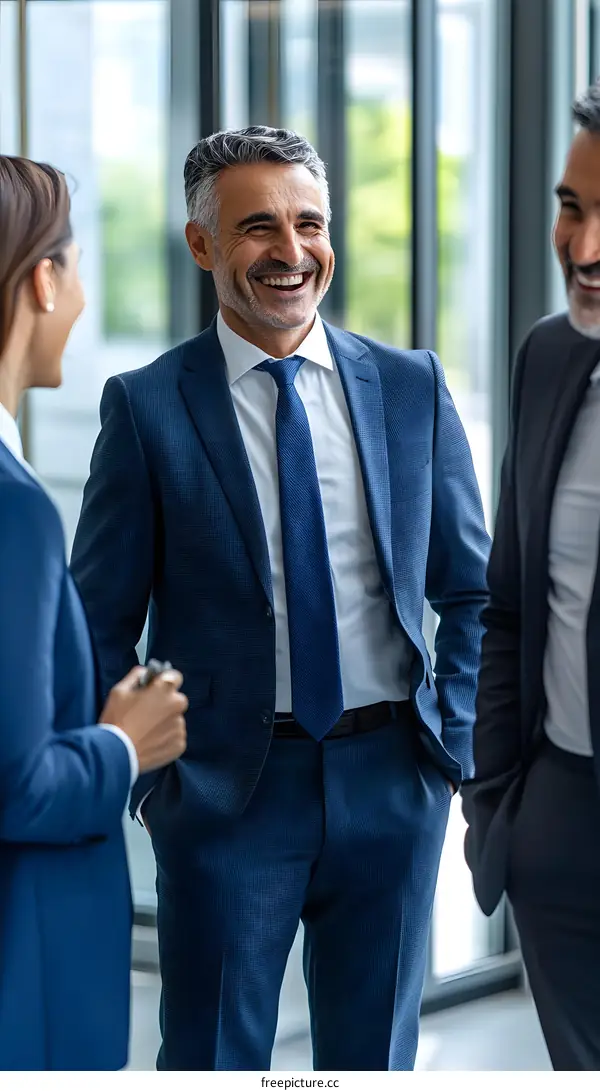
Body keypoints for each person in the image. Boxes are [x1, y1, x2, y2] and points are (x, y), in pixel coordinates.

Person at [71, 126, 489, 1072]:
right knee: (216, 1056)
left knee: (371, 1059)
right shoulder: (145, 408)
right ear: (201, 243)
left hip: (393, 780)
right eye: (259, 227)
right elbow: (95, 624)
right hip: (227, 795)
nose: (292, 252)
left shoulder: (412, 389)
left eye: (310, 223)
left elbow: (473, 591)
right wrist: (153, 780)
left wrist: (447, 749)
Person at [0, 156, 189, 1072]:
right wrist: (125, 741)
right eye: (75, 266)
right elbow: (18, 782)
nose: (78, 296)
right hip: (26, 979)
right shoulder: (14, 510)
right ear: (43, 278)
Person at [462, 82, 600, 1071]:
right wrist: (501, 811)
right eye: (571, 205)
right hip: (558, 831)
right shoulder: (549, 358)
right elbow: (507, 603)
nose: (583, 249)